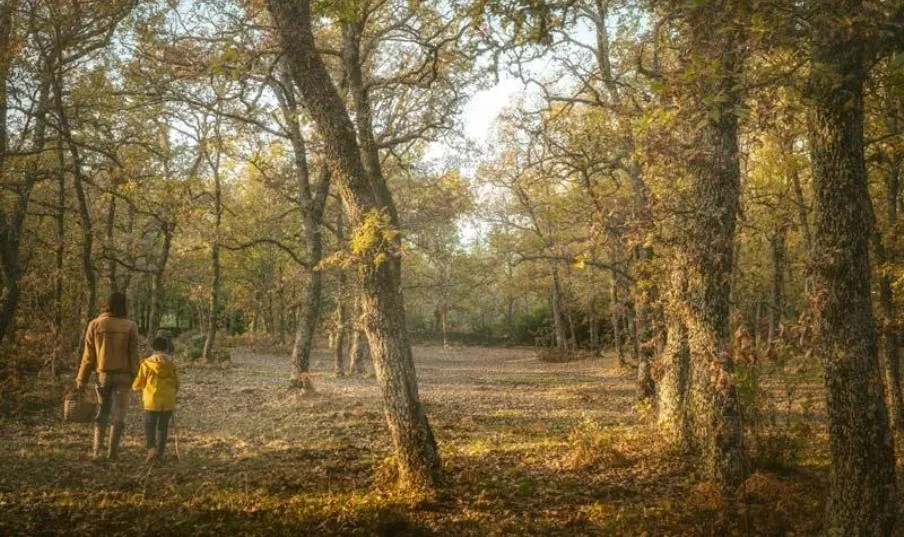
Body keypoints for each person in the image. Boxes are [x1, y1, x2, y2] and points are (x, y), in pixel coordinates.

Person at [76, 291, 140, 460]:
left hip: (102, 375)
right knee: (119, 414)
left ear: (105, 304)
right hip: (124, 376)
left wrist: (81, 378)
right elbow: (134, 354)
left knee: (102, 410)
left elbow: (88, 356)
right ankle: (113, 452)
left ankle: (97, 451)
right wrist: (137, 375)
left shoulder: (95, 324)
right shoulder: (130, 326)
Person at [132, 336, 180, 463]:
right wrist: (172, 393)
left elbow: (138, 383)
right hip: (167, 401)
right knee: (163, 427)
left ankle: (151, 450)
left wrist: (135, 387)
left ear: (153, 348)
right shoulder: (171, 364)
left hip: (151, 400)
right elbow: (177, 383)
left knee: (150, 426)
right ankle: (160, 453)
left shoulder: (146, 364)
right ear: (166, 348)